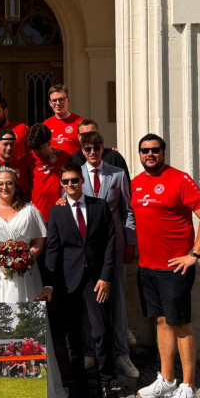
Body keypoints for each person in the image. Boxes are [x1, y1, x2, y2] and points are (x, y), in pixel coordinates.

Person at [0, 167, 72, 398]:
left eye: (10, 183)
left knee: (25, 329)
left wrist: (27, 257)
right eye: (1, 184)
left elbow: (40, 241)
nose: (5, 188)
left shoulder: (30, 210)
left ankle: (33, 391)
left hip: (25, 276)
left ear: (17, 185)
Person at [132, 134, 200, 398]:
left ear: (163, 152)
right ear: (140, 154)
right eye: (145, 151)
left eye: (155, 150)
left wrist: (194, 254)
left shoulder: (180, 179)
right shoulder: (135, 183)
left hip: (174, 268)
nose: (150, 154)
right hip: (147, 267)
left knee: (180, 324)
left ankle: (189, 387)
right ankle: (167, 379)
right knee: (161, 321)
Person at [44, 162, 119, 398]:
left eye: (74, 181)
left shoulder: (100, 206)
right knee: (72, 337)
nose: (70, 185)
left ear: (82, 181)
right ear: (61, 185)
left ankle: (106, 385)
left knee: (101, 332)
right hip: (67, 282)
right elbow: (53, 249)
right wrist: (50, 284)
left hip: (97, 281)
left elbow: (110, 242)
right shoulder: (57, 212)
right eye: (65, 182)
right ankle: (80, 387)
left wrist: (106, 277)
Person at [77, 130, 139, 379]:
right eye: (88, 149)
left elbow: (128, 210)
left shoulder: (117, 174)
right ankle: (89, 352)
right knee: (87, 302)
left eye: (97, 148)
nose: (93, 152)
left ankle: (122, 354)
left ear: (104, 148)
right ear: (82, 150)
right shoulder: (74, 176)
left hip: (115, 246)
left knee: (118, 302)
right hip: (86, 249)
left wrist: (130, 241)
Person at [19, 123, 69, 224]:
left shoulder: (64, 157)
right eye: (34, 149)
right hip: (37, 216)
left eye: (40, 148)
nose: (36, 152)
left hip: (61, 214)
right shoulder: (27, 159)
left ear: (49, 142)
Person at [70, 118, 131, 183]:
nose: (88, 136)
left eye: (92, 133)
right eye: (84, 135)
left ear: (98, 134)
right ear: (79, 137)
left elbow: (126, 186)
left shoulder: (113, 157)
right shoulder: (74, 159)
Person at [0, 128, 32, 195]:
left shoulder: (22, 164)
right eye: (5, 144)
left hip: (18, 204)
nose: (9, 148)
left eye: (12, 144)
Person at [43, 84, 83, 155]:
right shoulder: (45, 125)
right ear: (50, 103)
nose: (58, 103)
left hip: (73, 165)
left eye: (61, 99)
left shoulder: (80, 122)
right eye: (54, 100)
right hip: (53, 165)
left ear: (68, 100)